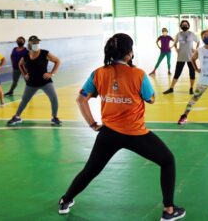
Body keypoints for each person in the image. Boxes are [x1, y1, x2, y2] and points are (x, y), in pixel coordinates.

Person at [59, 33, 186, 220]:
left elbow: (81, 99)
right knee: (167, 161)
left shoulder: (98, 73)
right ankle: (169, 210)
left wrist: (93, 124)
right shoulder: (138, 74)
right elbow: (151, 99)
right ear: (129, 54)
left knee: (90, 170)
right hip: (136, 134)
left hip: (108, 134)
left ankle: (65, 200)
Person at [6, 36, 62, 126]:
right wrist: (25, 74)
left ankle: (54, 117)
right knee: (24, 100)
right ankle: (17, 117)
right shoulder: (26, 56)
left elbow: (57, 61)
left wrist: (51, 73)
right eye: (34, 43)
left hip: (45, 81)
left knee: (54, 98)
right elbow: (20, 64)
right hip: (31, 83)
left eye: (37, 43)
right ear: (30, 44)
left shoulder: (45, 53)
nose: (36, 44)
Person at [163, 20, 200, 95]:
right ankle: (171, 88)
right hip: (181, 57)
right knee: (177, 73)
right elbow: (175, 43)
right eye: (183, 24)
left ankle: (191, 88)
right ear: (181, 26)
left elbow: (198, 41)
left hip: (191, 57)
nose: (184, 26)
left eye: (186, 24)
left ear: (188, 26)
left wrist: (196, 49)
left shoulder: (191, 34)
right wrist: (176, 48)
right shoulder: (178, 34)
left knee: (192, 73)